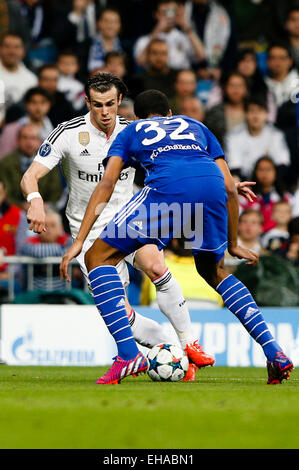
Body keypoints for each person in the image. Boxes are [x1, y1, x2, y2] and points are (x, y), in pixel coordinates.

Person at [59, 88, 293, 386]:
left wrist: (78, 241)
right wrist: (233, 244)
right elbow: (231, 189)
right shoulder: (196, 125)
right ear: (170, 114)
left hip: (168, 191)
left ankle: (129, 354)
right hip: (211, 189)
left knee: (97, 257)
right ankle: (274, 352)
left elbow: (107, 183)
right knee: (215, 271)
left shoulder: (134, 129)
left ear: (137, 117)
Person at [21, 72, 223, 383]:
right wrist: (35, 199)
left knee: (157, 267)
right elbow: (29, 176)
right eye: (98, 105)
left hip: (131, 219)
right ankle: (165, 350)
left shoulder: (136, 132)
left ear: (120, 103)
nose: (104, 112)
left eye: (111, 105)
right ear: (88, 102)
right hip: (88, 231)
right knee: (123, 316)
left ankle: (188, 344)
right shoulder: (67, 133)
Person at [225, 97, 291, 180]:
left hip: (272, 184)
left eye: (260, 111)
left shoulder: (276, 135)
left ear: (267, 114)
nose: (256, 116)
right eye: (252, 111)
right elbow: (234, 168)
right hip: (245, 185)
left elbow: (283, 164)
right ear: (245, 114)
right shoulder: (233, 136)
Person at [0, 123, 62, 209]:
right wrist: (21, 206)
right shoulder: (5, 163)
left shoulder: (50, 162)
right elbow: (5, 194)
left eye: (33, 138)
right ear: (18, 140)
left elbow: (56, 192)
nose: (29, 142)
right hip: (14, 211)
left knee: (53, 219)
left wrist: (44, 206)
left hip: (44, 211)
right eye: (25, 137)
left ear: (40, 142)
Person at [134, 0, 205, 71]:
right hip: (156, 77)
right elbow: (141, 62)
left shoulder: (184, 38)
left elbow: (201, 56)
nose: (169, 16)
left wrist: (185, 26)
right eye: (165, 12)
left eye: (173, 12)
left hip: (180, 78)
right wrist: (157, 31)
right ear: (156, 14)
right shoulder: (144, 40)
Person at [239, 156, 293, 234]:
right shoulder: (245, 193)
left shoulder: (285, 197)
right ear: (255, 172)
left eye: (268, 170)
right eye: (261, 169)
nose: (265, 173)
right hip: (251, 237)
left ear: (275, 173)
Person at [0, 86, 53, 159]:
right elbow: (3, 160)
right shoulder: (10, 130)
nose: (38, 107)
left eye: (43, 102)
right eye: (34, 102)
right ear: (26, 104)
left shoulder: (54, 131)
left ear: (49, 105)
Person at [0, 31, 37, 123]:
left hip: (18, 132)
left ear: (23, 51)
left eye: (16, 47)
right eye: (7, 46)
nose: (11, 51)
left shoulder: (31, 80)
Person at [87, 8, 123, 73]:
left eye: (115, 22)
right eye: (106, 21)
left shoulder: (124, 49)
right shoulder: (86, 45)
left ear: (119, 25)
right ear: (99, 23)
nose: (110, 25)